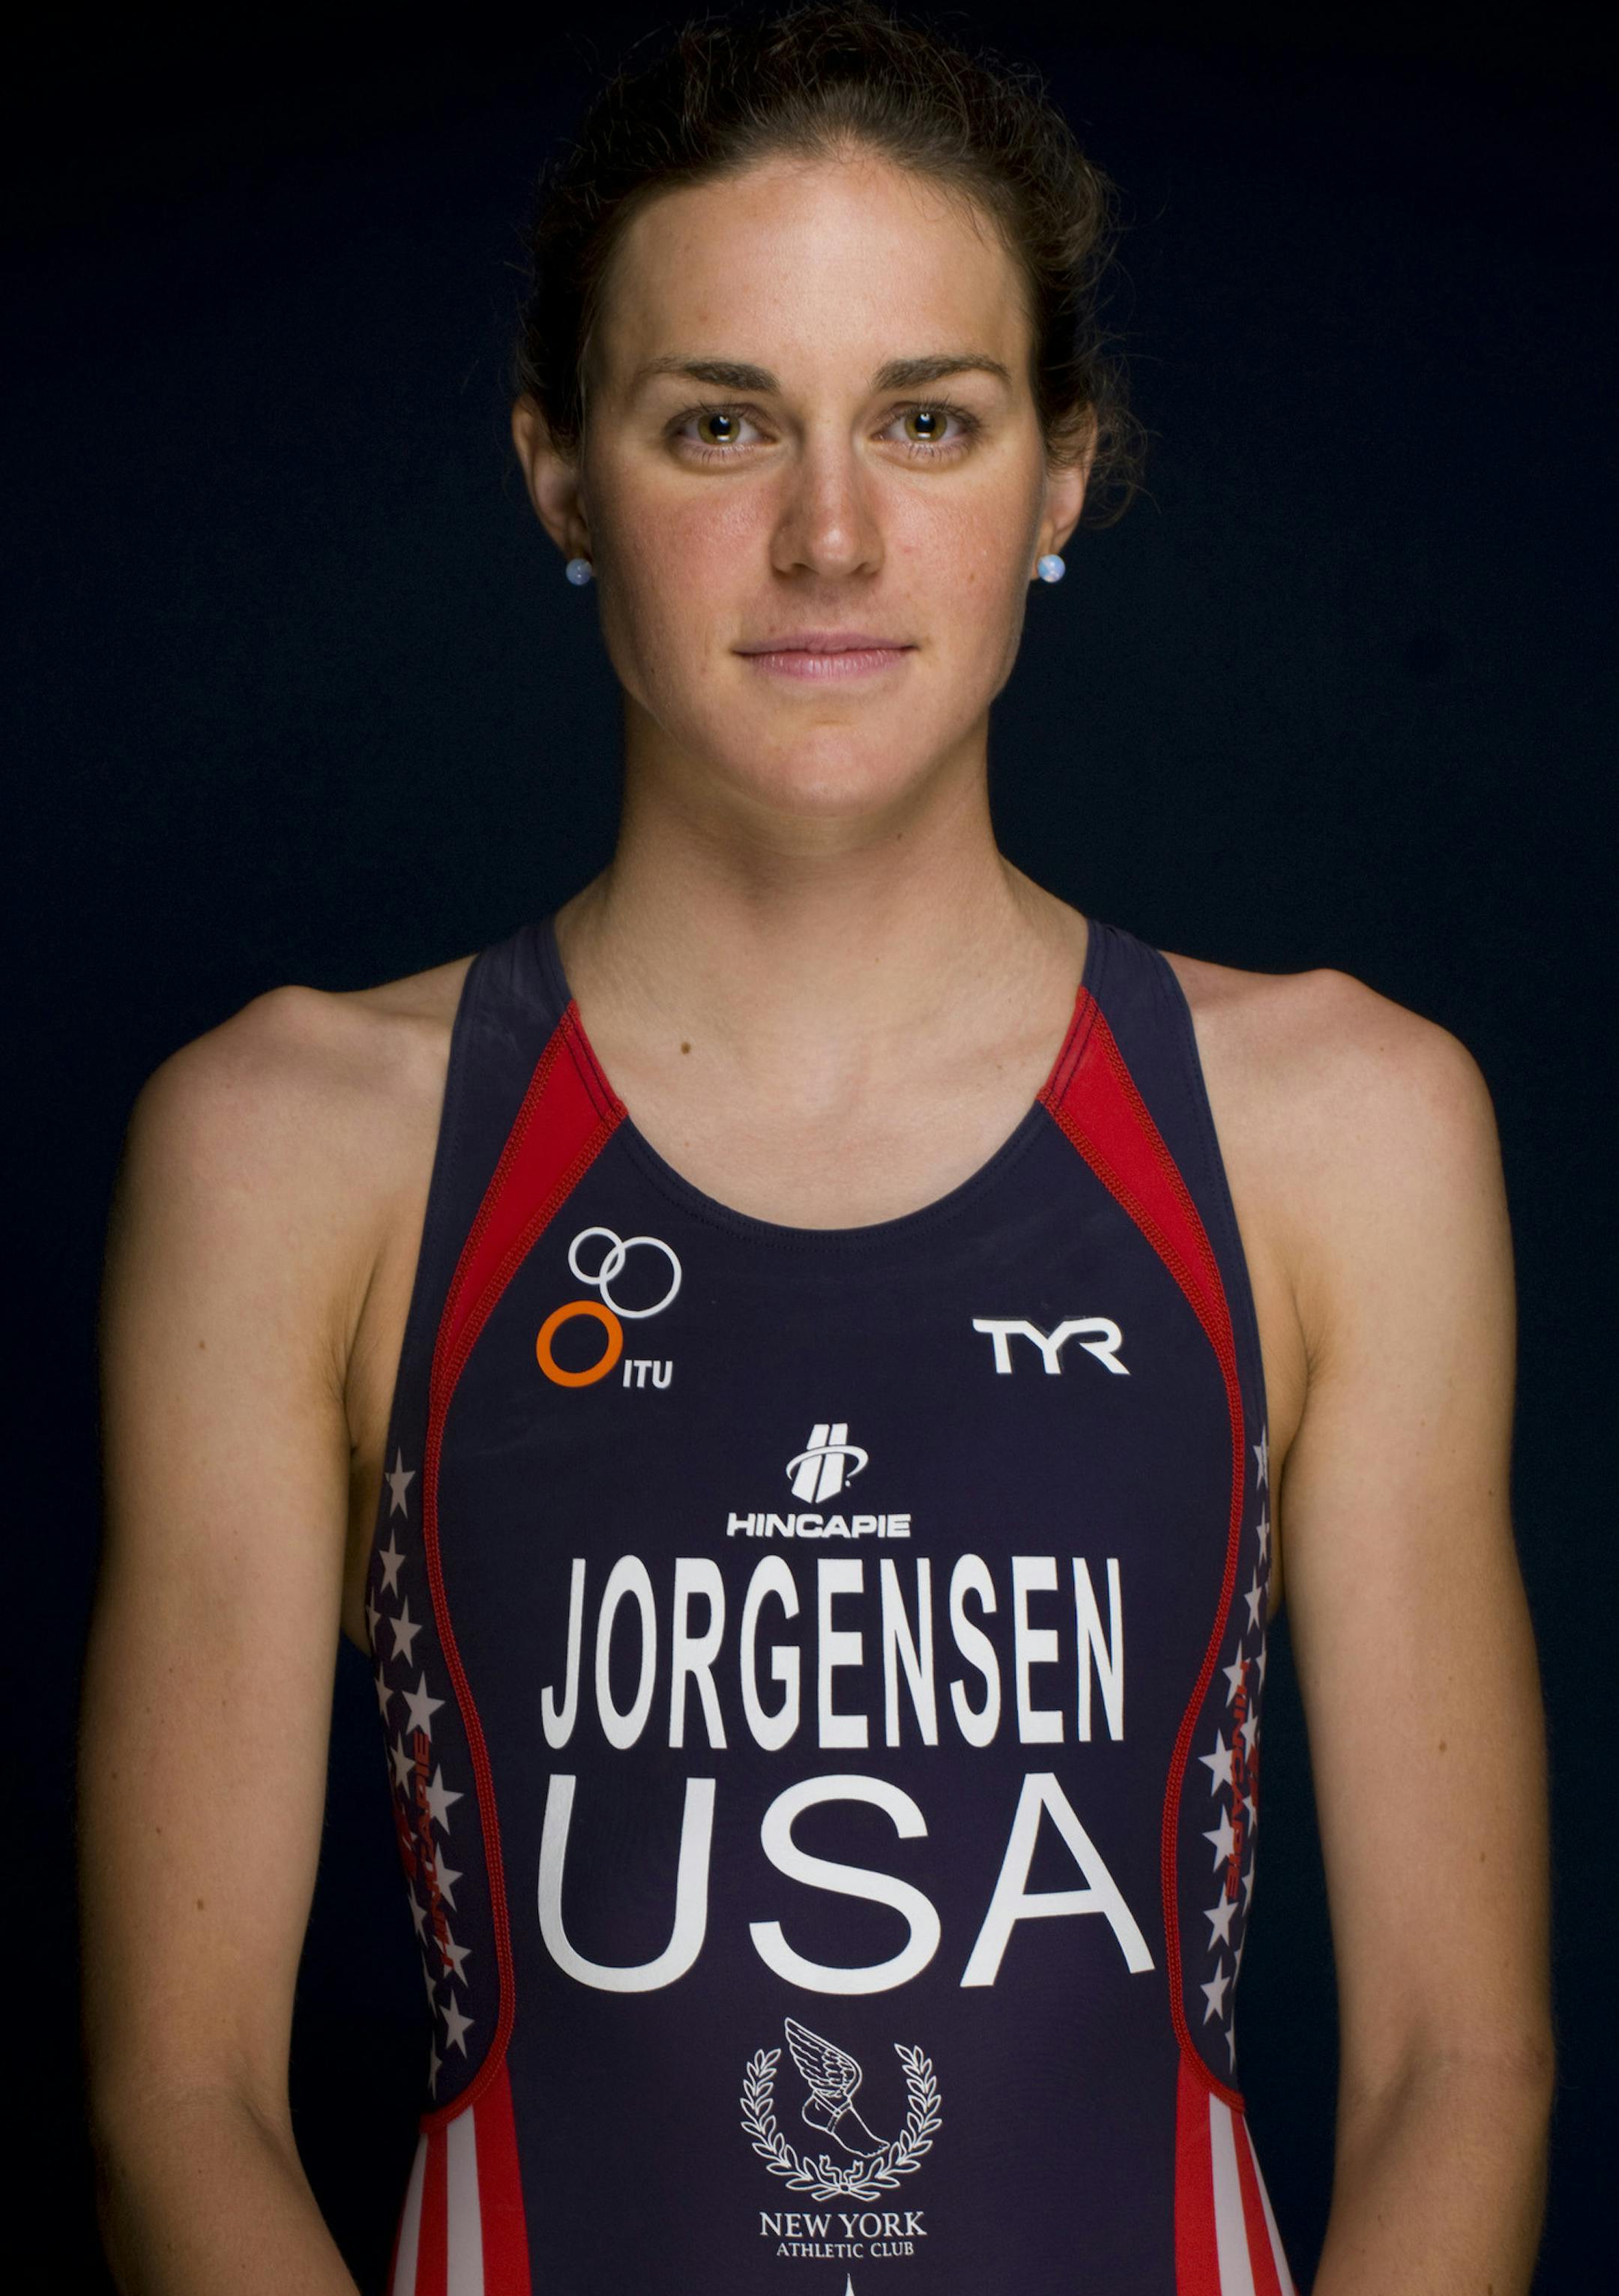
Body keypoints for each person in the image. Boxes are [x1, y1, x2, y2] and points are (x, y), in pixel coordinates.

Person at [79, 4, 1553, 2291]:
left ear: (1062, 476)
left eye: (929, 423)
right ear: (562, 472)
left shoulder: (1338, 1129)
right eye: (718, 424)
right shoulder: (294, 1149)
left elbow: (1456, 2062)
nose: (833, 535)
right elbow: (179, 2097)